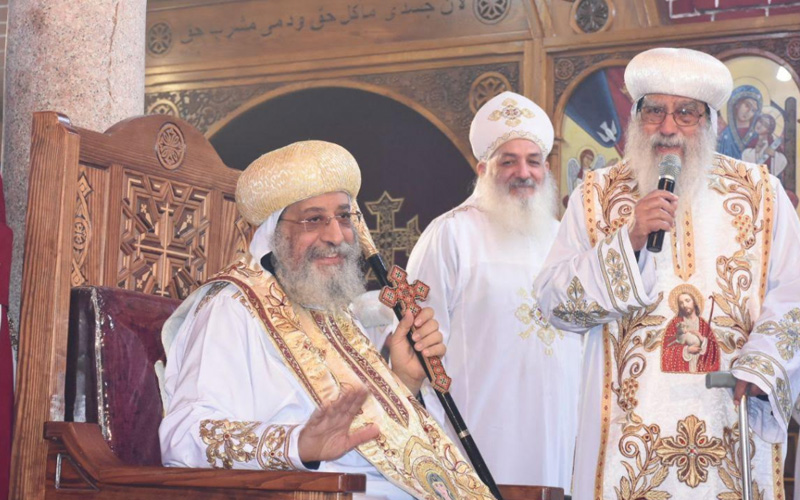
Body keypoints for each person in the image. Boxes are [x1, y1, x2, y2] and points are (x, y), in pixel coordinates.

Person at [159, 140, 495, 500]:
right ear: (274, 231)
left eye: (344, 217)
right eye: (314, 219)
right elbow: (183, 437)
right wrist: (297, 445)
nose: (336, 236)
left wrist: (403, 383)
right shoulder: (232, 307)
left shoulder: (335, 313)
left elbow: (375, 446)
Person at [533, 47, 800, 499]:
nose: (669, 128)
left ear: (710, 122)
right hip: (626, 436)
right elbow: (554, 303)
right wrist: (629, 240)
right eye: (654, 111)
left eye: (686, 114)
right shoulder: (595, 196)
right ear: (636, 118)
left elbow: (794, 291)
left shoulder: (761, 194)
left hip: (730, 413)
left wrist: (764, 365)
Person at [405, 91, 582, 492]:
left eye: (533, 161)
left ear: (546, 169)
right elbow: (418, 347)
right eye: (508, 161)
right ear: (483, 169)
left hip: (559, 429)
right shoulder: (450, 234)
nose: (524, 172)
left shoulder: (563, 239)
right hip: (481, 431)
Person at [661, 285, 719, 374]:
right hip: (681, 373)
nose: (684, 305)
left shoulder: (704, 325)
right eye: (681, 303)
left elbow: (714, 350)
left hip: (700, 369)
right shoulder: (675, 324)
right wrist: (687, 350)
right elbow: (666, 351)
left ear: (694, 302)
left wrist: (702, 339)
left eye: (687, 301)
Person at [716, 84, 762, 159]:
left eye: (753, 110)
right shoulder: (725, 134)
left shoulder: (756, 136)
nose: (748, 112)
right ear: (737, 103)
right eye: (747, 105)